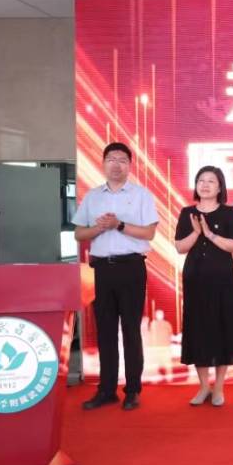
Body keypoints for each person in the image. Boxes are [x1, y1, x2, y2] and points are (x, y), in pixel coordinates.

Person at [73, 142, 159, 411]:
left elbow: (149, 233)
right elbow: (79, 234)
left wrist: (118, 225)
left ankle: (132, 390)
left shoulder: (142, 195)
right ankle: (106, 390)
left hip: (131, 267)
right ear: (103, 163)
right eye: (111, 159)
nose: (116, 165)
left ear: (130, 166)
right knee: (106, 331)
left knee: (131, 330)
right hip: (102, 270)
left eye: (122, 160)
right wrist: (100, 228)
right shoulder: (92, 197)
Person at [174, 166, 233, 407]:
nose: (205, 185)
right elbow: (180, 247)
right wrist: (197, 234)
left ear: (220, 187)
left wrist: (210, 234)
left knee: (222, 329)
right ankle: (203, 386)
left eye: (211, 181)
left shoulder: (229, 213)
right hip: (195, 279)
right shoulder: (187, 212)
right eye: (201, 180)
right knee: (198, 330)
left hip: (223, 280)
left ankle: (218, 387)